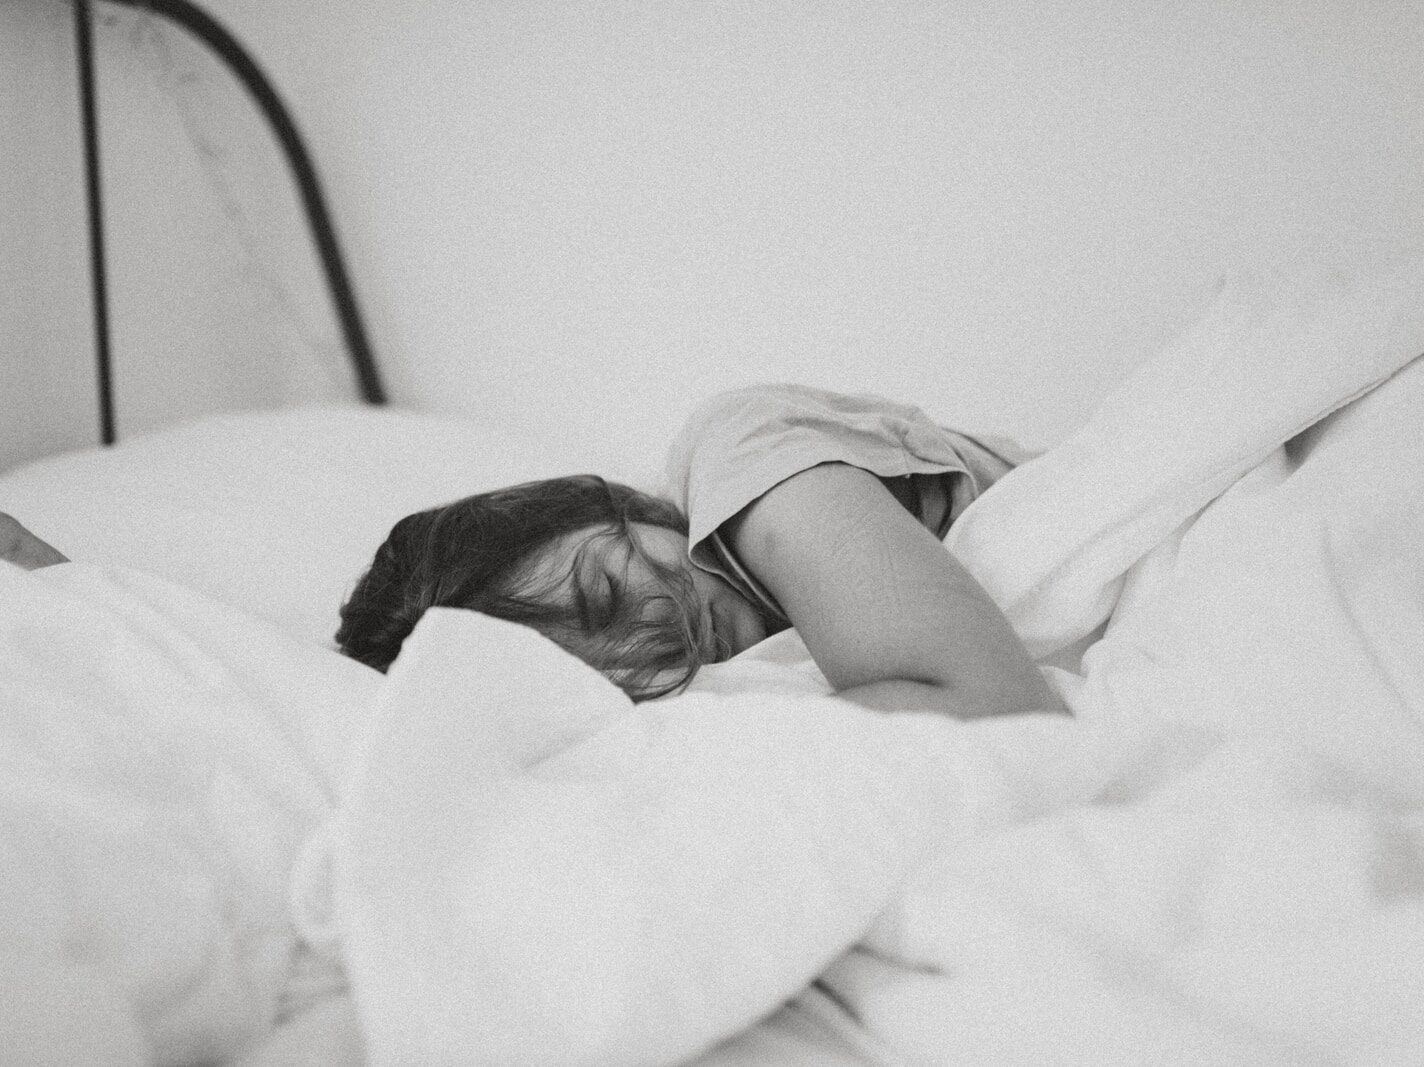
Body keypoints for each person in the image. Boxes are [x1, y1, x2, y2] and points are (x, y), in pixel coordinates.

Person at [338, 384, 1065, 719]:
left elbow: (1000, 709)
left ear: (608, 507)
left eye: (605, 596)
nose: (658, 639)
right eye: (605, 676)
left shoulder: (742, 456)